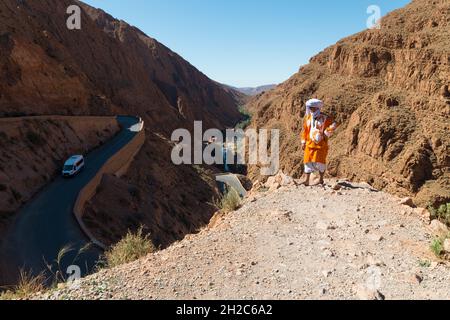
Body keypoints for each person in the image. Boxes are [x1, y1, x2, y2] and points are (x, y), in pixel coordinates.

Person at [300, 99, 337, 186]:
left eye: (313, 108)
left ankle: (321, 179)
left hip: (321, 145)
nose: (311, 110)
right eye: (310, 108)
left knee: (320, 163)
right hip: (309, 144)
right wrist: (303, 141)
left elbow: (334, 124)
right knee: (307, 162)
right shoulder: (308, 118)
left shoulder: (325, 118)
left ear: (317, 108)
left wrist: (325, 133)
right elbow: (305, 131)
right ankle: (307, 180)